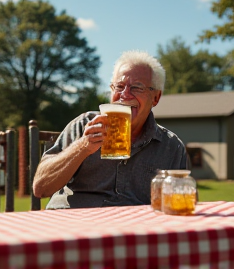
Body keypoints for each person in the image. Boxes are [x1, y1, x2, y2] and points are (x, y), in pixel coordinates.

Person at [33, 50, 188, 209]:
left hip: (132, 229)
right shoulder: (83, 125)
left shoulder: (171, 147)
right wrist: (83, 146)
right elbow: (41, 188)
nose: (125, 95)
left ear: (156, 97)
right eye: (119, 86)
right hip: (73, 224)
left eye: (137, 87)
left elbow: (183, 203)